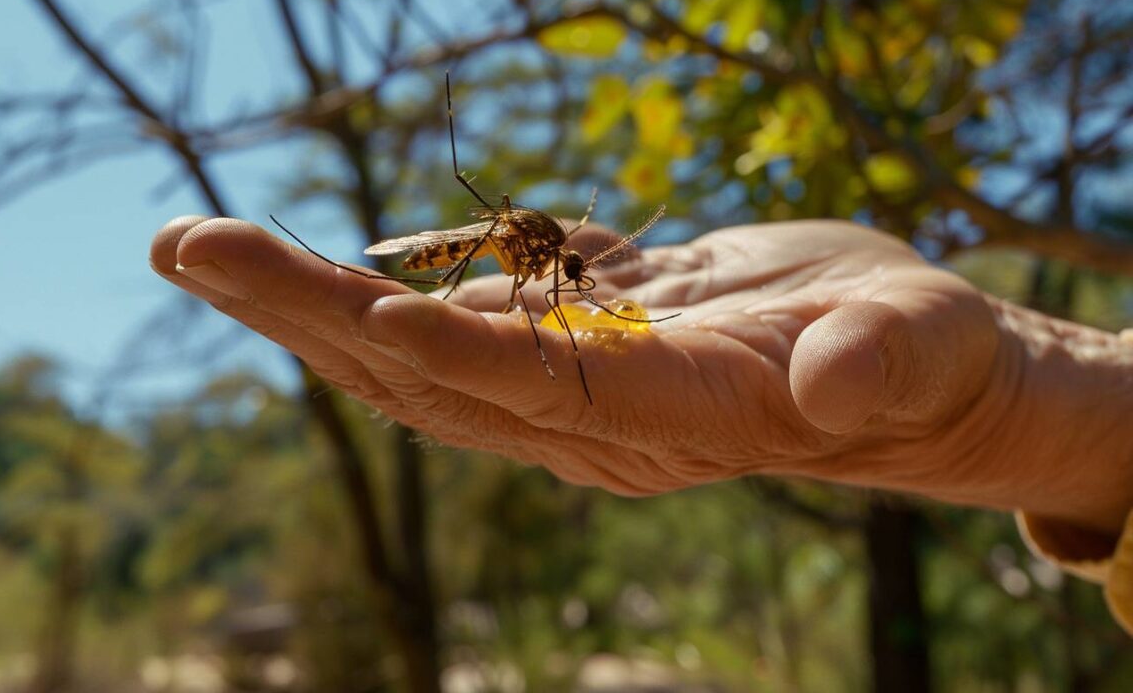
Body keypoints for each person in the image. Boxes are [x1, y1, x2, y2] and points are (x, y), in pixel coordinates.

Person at [150, 214, 1133, 630]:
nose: (571, 277)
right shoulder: (530, 248)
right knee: (472, 272)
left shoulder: (561, 268)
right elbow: (516, 241)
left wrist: (1020, 393)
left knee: (480, 302)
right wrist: (1030, 389)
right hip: (475, 242)